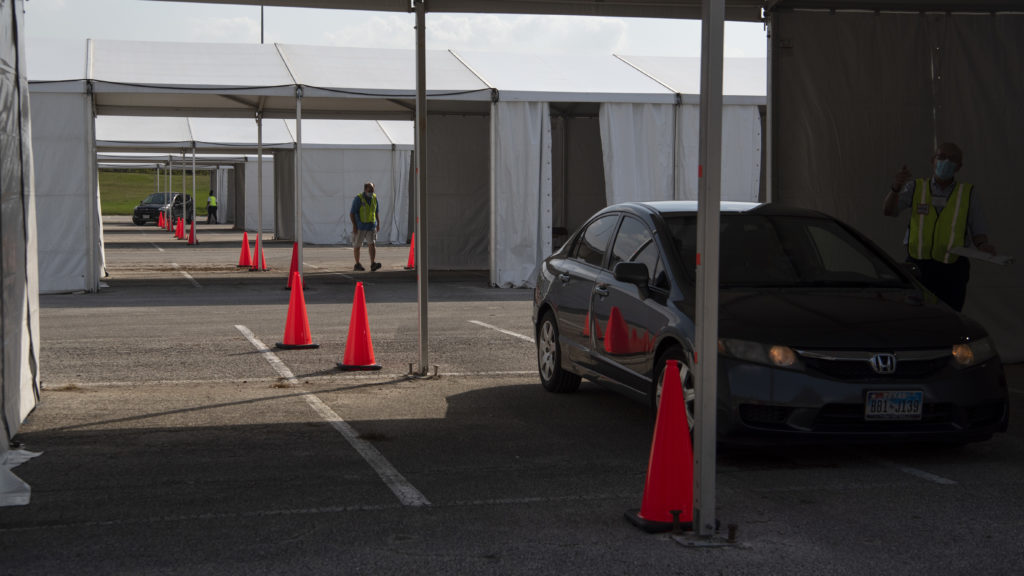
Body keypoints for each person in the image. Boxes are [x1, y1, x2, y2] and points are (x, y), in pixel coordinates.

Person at [883, 142, 996, 311]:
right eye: (941, 157)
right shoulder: (916, 187)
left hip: (952, 270)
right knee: (917, 317)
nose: (946, 162)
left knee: (950, 319)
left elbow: (978, 230)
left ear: (959, 167)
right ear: (932, 160)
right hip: (918, 268)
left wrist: (983, 245)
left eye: (952, 159)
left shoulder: (968, 193)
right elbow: (889, 211)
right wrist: (895, 188)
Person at [349, 181, 382, 271]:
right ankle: (357, 264)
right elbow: (352, 213)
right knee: (357, 245)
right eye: (369, 190)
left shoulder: (374, 198)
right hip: (360, 226)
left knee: (372, 244)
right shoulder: (358, 199)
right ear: (365, 189)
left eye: (372, 190)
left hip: (371, 226)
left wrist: (378, 223)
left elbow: (376, 211)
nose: (371, 192)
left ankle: (372, 263)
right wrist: (354, 225)